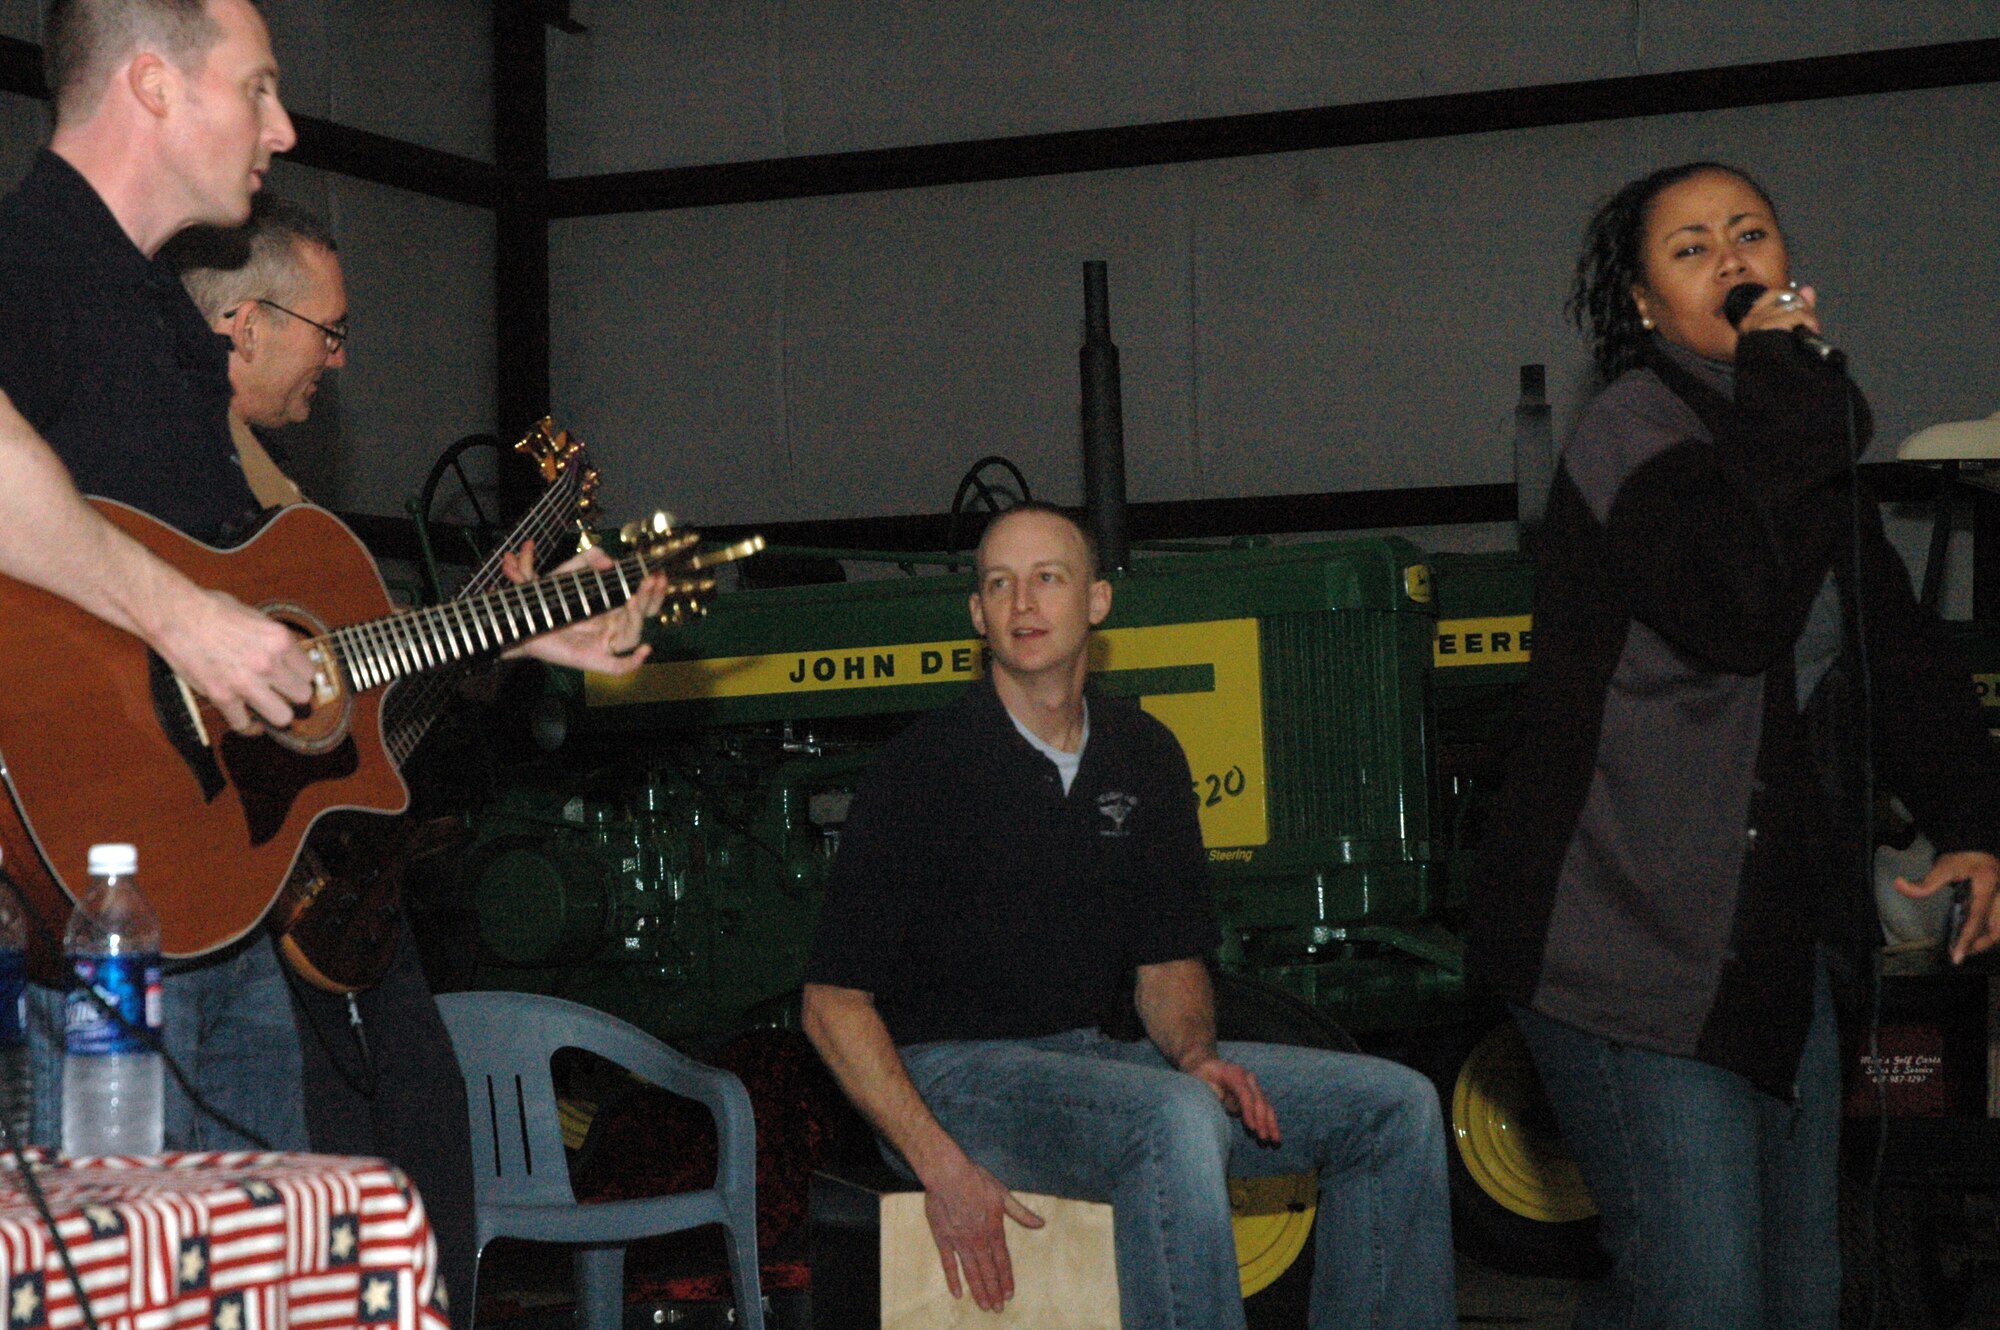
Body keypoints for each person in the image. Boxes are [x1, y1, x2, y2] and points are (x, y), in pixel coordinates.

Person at [1, 0, 657, 1225]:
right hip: (85, 923)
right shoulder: (29, 257)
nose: (285, 126)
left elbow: (270, 637)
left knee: (266, 1274)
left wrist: (508, 628)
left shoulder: (161, 318)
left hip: (217, 898)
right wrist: (181, 618)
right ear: (152, 84)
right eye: (255, 88)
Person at [1470, 160, 2000, 1330]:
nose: (1731, 258)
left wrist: (1973, 823)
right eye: (1691, 245)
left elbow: (1894, 648)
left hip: (1765, 946)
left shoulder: (1795, 445)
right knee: (1694, 1294)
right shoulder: (1629, 435)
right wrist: (1787, 394)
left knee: (1799, 1293)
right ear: (1646, 307)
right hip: (1624, 948)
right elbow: (1735, 610)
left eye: (1748, 232)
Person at [803, 503, 1455, 1330]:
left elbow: (1168, 962)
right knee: (1173, 1122)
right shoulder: (923, 768)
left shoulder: (1143, 754)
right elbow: (831, 1006)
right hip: (949, 1079)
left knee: (1394, 1108)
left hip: (1091, 1065)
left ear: (1098, 603)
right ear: (976, 615)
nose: (1022, 603)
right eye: (998, 585)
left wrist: (1195, 1053)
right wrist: (944, 1168)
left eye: (1048, 578)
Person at [169, 195, 477, 1327]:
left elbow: (348, 739)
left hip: (323, 889)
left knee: (425, 1133)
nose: (338, 362)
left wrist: (489, 630)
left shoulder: (290, 507)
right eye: (326, 332)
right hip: (223, 889)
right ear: (244, 325)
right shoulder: (158, 469)